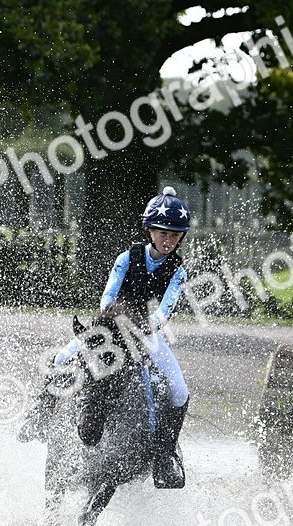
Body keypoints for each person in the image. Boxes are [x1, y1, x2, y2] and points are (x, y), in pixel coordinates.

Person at [20, 186, 191, 489]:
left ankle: (165, 457)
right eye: (163, 232)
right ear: (150, 230)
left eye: (175, 235)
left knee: (179, 391)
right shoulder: (127, 257)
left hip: (148, 334)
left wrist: (145, 326)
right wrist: (116, 321)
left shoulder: (177, 270)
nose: (168, 240)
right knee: (61, 358)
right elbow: (108, 296)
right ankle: (40, 414)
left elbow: (165, 310)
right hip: (110, 326)